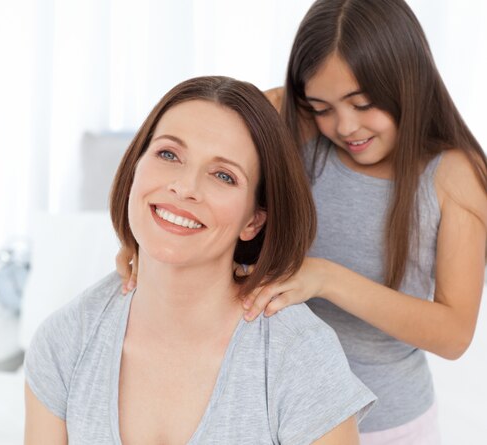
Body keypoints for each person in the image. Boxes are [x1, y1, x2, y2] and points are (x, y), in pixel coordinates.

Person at [118, 1, 487, 443]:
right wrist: (145, 237)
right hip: (275, 410)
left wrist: (326, 279)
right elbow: (194, 142)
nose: (345, 126)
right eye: (321, 106)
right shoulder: (297, 124)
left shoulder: (453, 175)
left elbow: (453, 334)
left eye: (363, 104)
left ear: (409, 81)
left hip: (388, 424)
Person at [24, 76, 375, 445]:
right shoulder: (64, 341)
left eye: (223, 175)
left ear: (253, 220)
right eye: (168, 154)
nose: (185, 188)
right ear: (135, 169)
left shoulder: (299, 357)